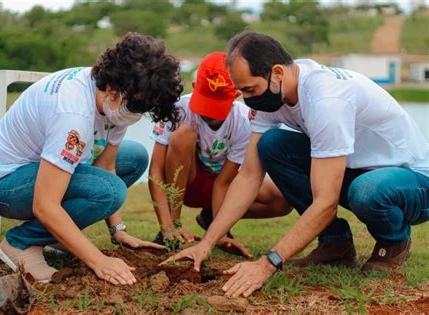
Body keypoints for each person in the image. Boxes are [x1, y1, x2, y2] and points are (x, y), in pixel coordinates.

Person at [163, 30, 429, 298]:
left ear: (277, 72)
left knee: (367, 191)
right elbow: (248, 177)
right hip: (360, 169)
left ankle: (393, 242)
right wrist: (208, 242)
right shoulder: (276, 94)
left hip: (412, 180)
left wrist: (268, 264)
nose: (246, 99)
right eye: (241, 91)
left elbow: (325, 201)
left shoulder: (326, 100)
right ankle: (335, 244)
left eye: (250, 89)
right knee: (273, 145)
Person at [0, 32, 183, 284]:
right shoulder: (73, 113)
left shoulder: (112, 98)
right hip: (1, 183)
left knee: (134, 157)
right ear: (113, 88)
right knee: (110, 191)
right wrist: (98, 260)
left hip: (34, 170)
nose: (138, 114)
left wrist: (118, 231)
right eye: (137, 107)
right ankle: (20, 243)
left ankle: (55, 237)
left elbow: (107, 164)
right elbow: (45, 204)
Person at [148, 52, 290, 255]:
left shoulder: (243, 121)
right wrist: (169, 224)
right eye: (206, 104)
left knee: (281, 200)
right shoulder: (178, 110)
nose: (211, 114)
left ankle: (212, 219)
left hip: (223, 186)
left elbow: (223, 182)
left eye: (218, 106)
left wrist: (219, 232)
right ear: (195, 87)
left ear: (237, 94)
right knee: (183, 134)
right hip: (187, 182)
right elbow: (156, 170)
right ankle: (173, 226)